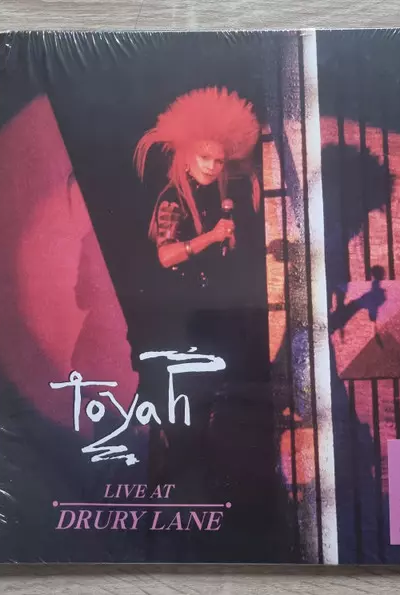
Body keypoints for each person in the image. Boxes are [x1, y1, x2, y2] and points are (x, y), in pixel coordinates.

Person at [132, 87, 284, 562]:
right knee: (183, 423)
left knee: (206, 419)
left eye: (219, 160)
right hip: (176, 328)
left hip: (204, 327)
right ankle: (173, 520)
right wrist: (212, 238)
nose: (214, 166)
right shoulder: (172, 200)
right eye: (205, 158)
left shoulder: (213, 193)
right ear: (185, 154)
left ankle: (199, 515)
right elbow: (165, 256)